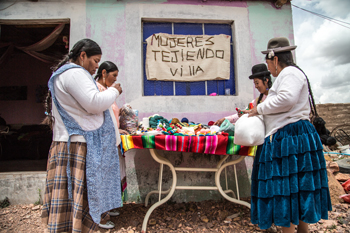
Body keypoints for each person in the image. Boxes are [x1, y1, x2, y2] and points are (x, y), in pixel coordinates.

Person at [245, 37, 332, 233]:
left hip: (289, 139)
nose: (270, 68)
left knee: (284, 192)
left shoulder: (290, 73)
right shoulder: (290, 74)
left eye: (268, 63)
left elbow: (287, 99)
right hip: (293, 137)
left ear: (274, 59)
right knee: (296, 193)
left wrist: (259, 109)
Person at [41, 38, 123, 232]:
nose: (96, 66)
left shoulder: (72, 73)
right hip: (77, 144)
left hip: (76, 142)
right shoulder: (74, 73)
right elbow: (94, 103)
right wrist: (114, 92)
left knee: (77, 199)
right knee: (80, 197)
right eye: (95, 61)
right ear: (82, 55)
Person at [94, 61, 128, 217]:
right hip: (103, 141)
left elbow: (110, 115)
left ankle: (107, 208)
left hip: (112, 139)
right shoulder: (98, 91)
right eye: (113, 75)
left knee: (110, 177)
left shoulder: (108, 91)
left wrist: (118, 127)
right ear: (103, 73)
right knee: (103, 178)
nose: (115, 79)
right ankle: (100, 214)